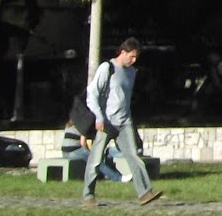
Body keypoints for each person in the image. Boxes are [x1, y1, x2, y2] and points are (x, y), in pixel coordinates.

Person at [83, 38, 161, 207]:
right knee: (96, 159)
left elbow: (125, 99)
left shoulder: (132, 72)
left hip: (124, 122)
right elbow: (92, 94)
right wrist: (99, 117)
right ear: (123, 52)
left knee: (134, 157)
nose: (134, 60)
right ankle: (88, 195)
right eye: (131, 56)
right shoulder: (107, 68)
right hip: (106, 122)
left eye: (136, 57)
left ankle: (145, 193)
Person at [61, 98, 119, 183]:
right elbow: (82, 142)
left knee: (90, 158)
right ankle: (116, 178)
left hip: (65, 153)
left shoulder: (68, 126)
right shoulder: (81, 127)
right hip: (74, 152)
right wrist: (90, 152)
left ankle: (101, 175)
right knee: (96, 160)